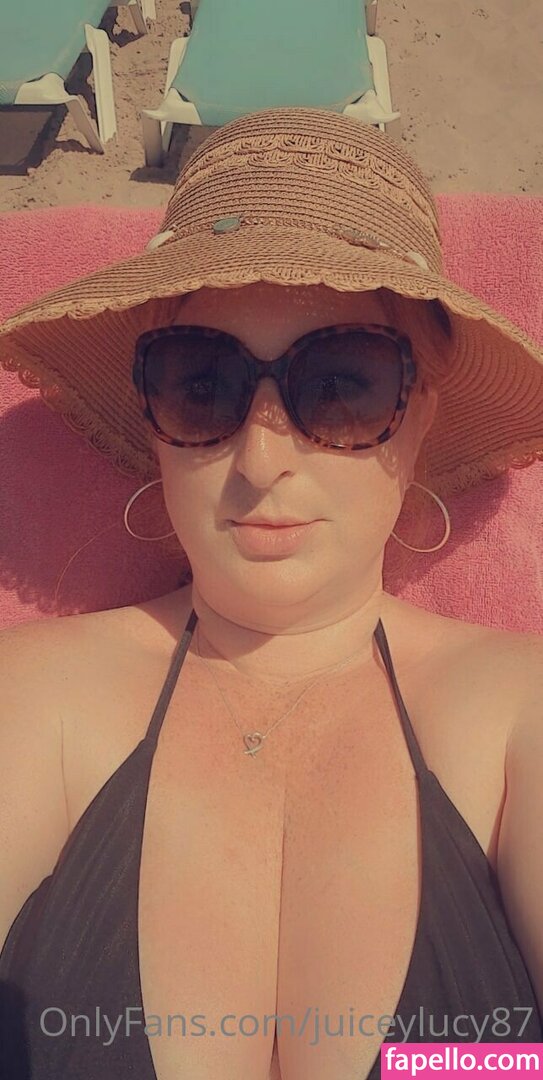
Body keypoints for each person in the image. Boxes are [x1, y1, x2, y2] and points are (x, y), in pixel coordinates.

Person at [0, 105, 542, 1080]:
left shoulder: (519, 718)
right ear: (153, 414)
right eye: (201, 383)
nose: (260, 460)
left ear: (420, 412)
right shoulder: (32, 699)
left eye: (340, 385)